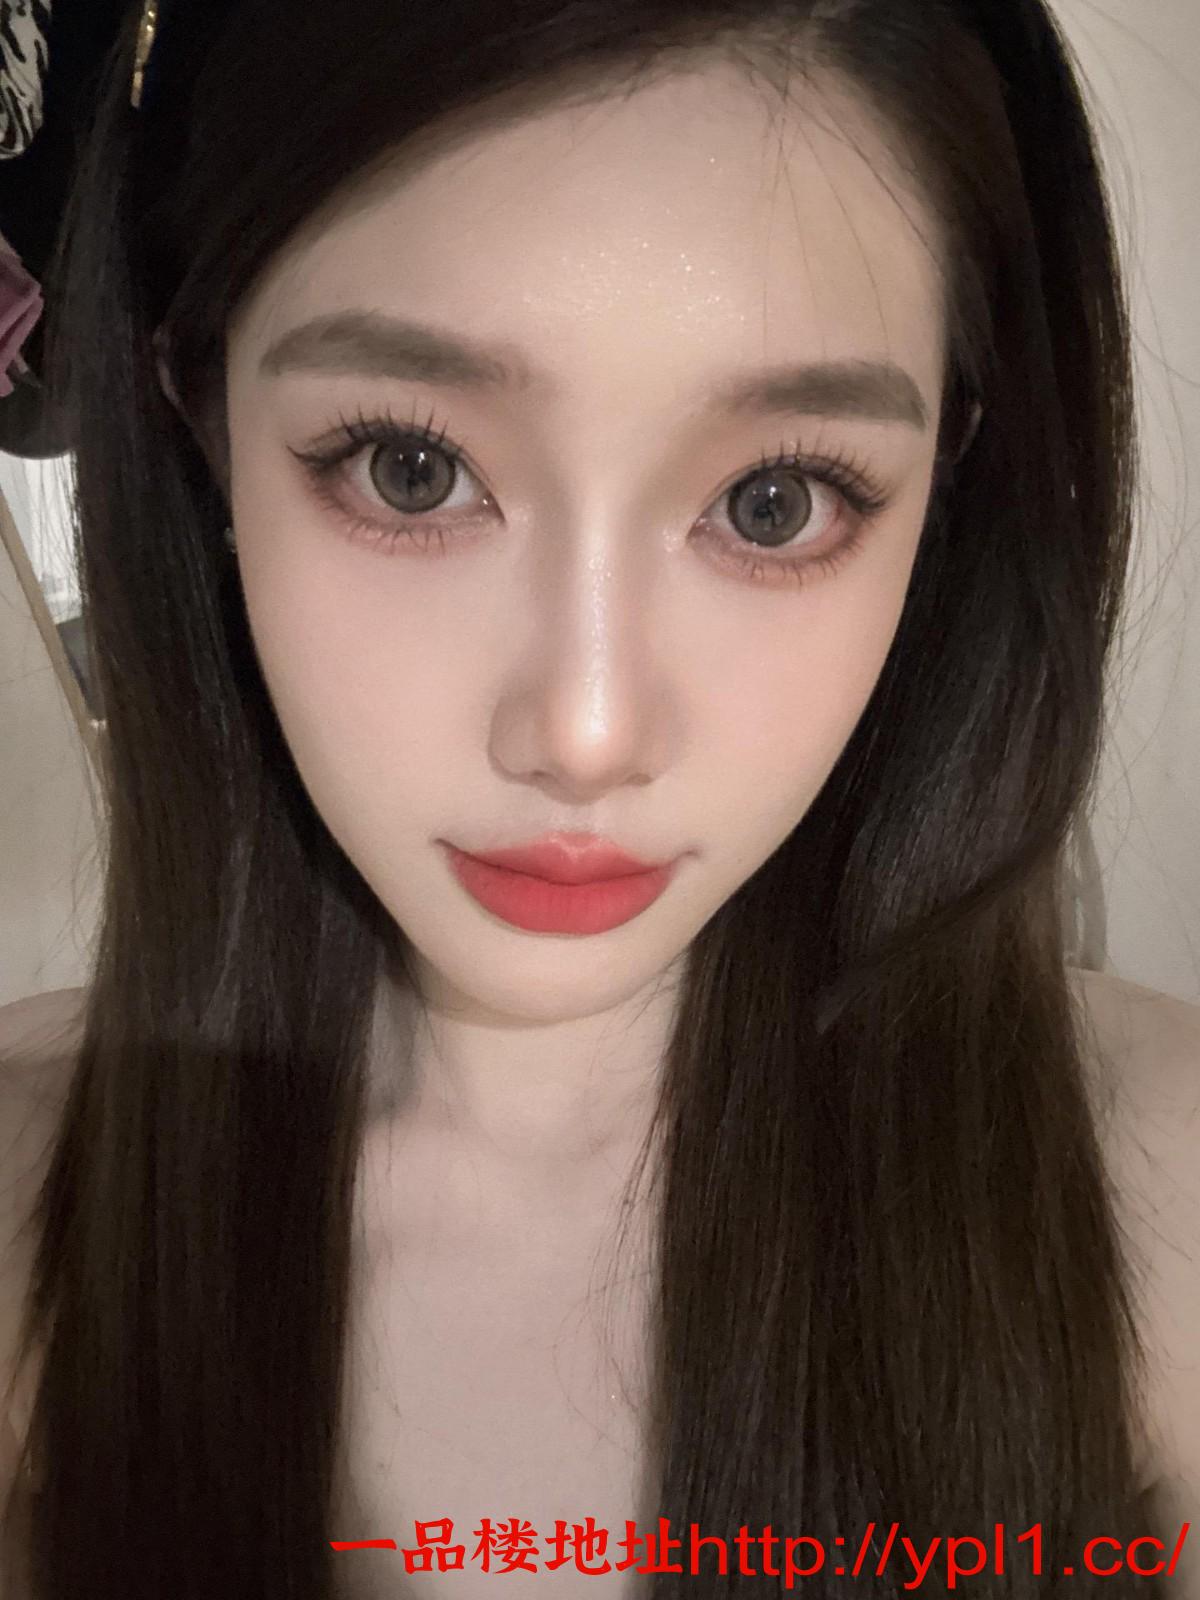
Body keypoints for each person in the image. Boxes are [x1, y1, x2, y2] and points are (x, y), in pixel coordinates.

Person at [0, 0, 1197, 1595]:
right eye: (411, 468)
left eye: (774, 502)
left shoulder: (1162, 1194)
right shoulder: (28, 1204)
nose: (584, 731)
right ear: (203, 427)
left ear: (947, 496)